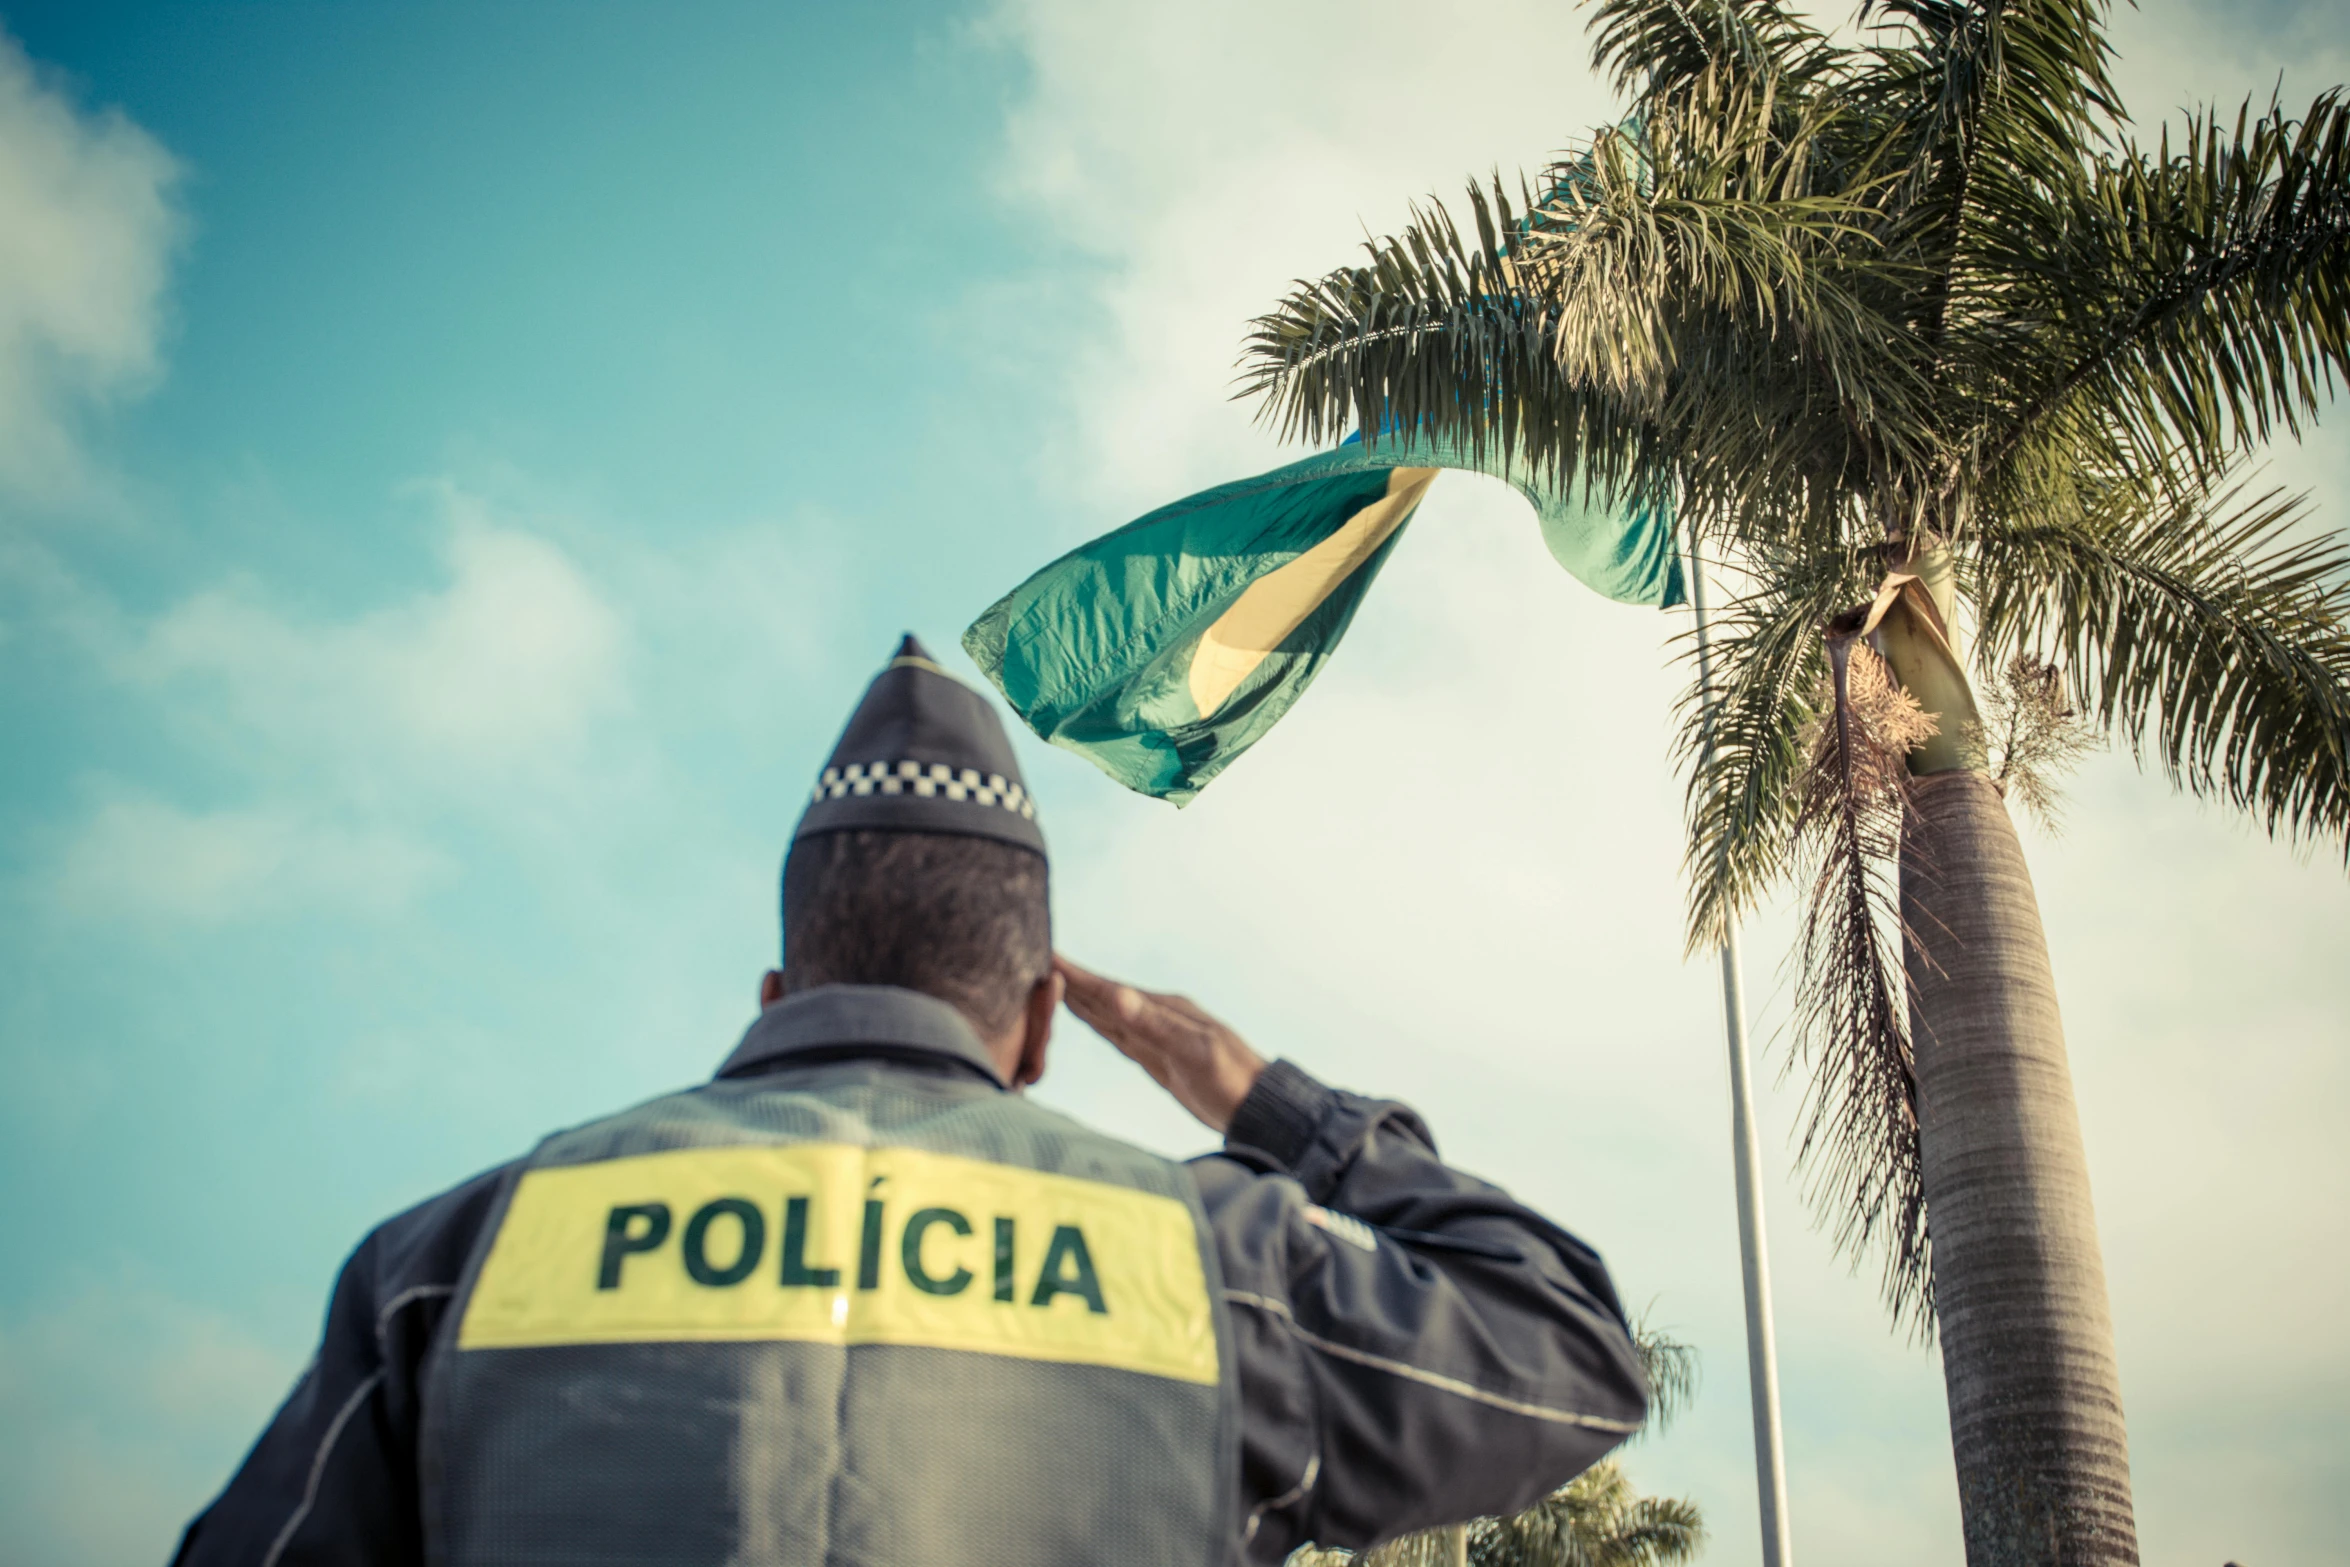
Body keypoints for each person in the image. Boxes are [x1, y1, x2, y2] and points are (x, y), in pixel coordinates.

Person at [171, 636, 1648, 1567]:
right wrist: (1258, 1097)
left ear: (771, 1000)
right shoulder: (1207, 1266)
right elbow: (1570, 1351)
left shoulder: (459, 1260)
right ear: (1041, 1025)